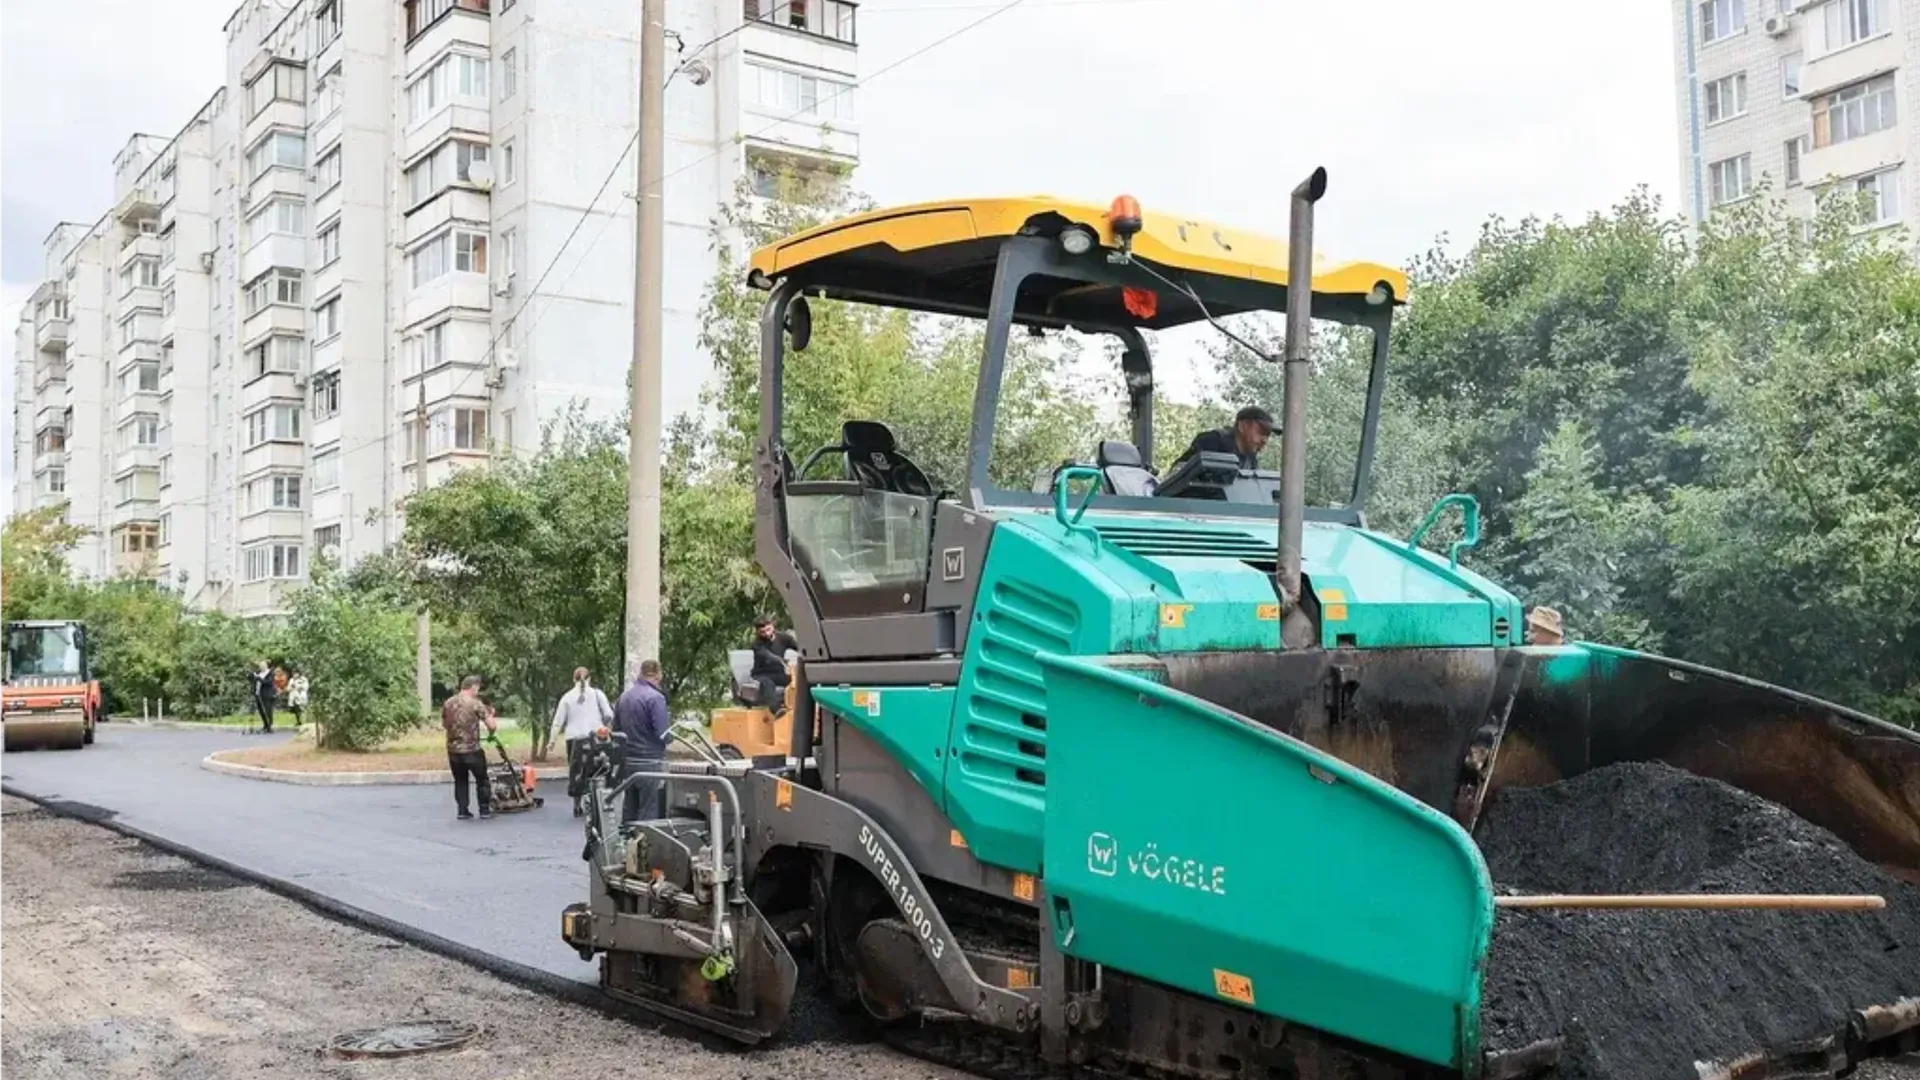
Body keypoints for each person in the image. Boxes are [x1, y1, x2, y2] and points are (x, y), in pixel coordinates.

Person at [548, 666, 614, 818]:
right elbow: (609, 714)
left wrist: (552, 741)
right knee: (598, 770)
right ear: (589, 679)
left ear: (573, 679)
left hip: (575, 740)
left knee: (577, 772)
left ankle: (577, 806)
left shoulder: (567, 697)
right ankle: (597, 802)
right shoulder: (598, 694)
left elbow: (558, 721)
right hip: (596, 738)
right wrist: (604, 725)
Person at [612, 660, 671, 825]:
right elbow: (664, 734)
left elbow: (616, 730)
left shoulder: (624, 697)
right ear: (658, 675)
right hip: (650, 761)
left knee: (629, 808)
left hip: (628, 761)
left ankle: (624, 843)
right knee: (649, 810)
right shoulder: (656, 698)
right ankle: (643, 846)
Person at [442, 675, 499, 820]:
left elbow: (445, 724)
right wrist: (491, 716)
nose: (478, 691)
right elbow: (492, 726)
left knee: (460, 780)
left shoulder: (448, 703)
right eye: (478, 688)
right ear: (473, 686)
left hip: (453, 750)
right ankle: (484, 810)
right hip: (472, 749)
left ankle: (462, 810)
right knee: (482, 779)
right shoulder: (476, 703)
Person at [1177, 406, 1274, 471]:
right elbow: (1178, 472)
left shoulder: (1251, 460)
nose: (1264, 440)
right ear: (1243, 426)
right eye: (1261, 432)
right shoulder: (1212, 441)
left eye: (1268, 435)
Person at [750, 617, 800, 717]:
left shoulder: (783, 637)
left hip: (779, 673)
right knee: (767, 683)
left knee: (798, 680)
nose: (767, 634)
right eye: (763, 632)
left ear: (772, 626)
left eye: (768, 630)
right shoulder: (757, 644)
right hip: (762, 674)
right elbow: (768, 655)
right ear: (758, 632)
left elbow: (799, 647)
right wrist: (785, 661)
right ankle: (776, 709)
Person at [249, 660, 277, 735]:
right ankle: (265, 725)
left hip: (267, 694)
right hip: (258, 694)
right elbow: (251, 679)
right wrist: (252, 675)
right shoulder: (258, 672)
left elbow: (268, 682)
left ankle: (269, 726)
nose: (261, 667)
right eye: (260, 666)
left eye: (263, 666)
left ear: (266, 666)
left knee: (267, 710)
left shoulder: (270, 673)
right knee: (261, 711)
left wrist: (259, 678)